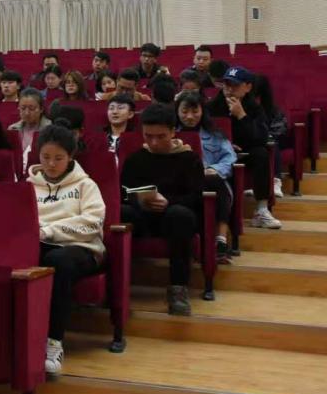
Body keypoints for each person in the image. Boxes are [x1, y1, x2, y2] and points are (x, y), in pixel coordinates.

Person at [29, 121, 106, 376]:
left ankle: (54, 342)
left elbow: (92, 222)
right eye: (46, 157)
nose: (51, 164)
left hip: (81, 247)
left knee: (57, 261)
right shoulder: (29, 185)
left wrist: (50, 230)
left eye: (58, 158)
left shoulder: (85, 185)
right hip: (38, 243)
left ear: (70, 156)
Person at [120, 104, 205, 315]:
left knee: (180, 216)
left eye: (161, 136)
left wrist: (169, 202)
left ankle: (178, 288)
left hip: (174, 217)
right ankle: (117, 287)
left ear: (173, 132)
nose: (154, 142)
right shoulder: (136, 159)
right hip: (143, 217)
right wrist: (139, 201)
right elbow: (123, 193)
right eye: (148, 136)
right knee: (120, 212)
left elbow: (197, 196)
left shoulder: (189, 159)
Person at [208, 66, 279, 228]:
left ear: (248, 87)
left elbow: (261, 138)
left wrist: (242, 116)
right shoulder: (212, 106)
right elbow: (204, 134)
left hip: (244, 152)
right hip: (218, 153)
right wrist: (224, 145)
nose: (229, 89)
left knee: (261, 153)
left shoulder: (254, 108)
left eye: (235, 85)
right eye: (226, 84)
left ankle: (261, 210)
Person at [177, 92, 238, 263]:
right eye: (184, 111)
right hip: (179, 183)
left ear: (202, 111)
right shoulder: (169, 133)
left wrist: (214, 169)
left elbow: (230, 158)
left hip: (209, 180)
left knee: (215, 181)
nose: (190, 116)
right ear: (177, 111)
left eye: (195, 111)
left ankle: (221, 241)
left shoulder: (215, 134)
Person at [8, 88, 51, 171]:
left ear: (41, 109)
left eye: (32, 109)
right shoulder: (12, 129)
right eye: (23, 108)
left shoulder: (49, 129)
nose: (27, 113)